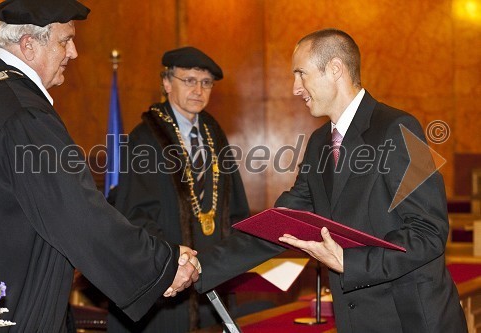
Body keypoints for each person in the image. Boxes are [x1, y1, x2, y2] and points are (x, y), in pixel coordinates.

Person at [0, 1, 200, 332]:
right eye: (64, 40)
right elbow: (75, 213)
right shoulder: (24, 114)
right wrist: (161, 266)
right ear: (29, 45)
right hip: (15, 305)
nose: (74, 52)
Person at [273, 29, 468, 332]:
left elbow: (429, 232)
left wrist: (350, 263)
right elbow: (285, 215)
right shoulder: (317, 142)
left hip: (412, 321)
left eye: (301, 73)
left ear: (335, 69)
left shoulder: (401, 127)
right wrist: (202, 266)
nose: (295, 88)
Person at [107, 46, 257, 332]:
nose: (198, 90)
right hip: (167, 277)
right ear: (166, 83)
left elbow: (234, 206)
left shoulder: (214, 134)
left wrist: (234, 252)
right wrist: (176, 258)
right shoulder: (146, 138)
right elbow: (135, 214)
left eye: (206, 82)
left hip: (213, 274)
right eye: (189, 80)